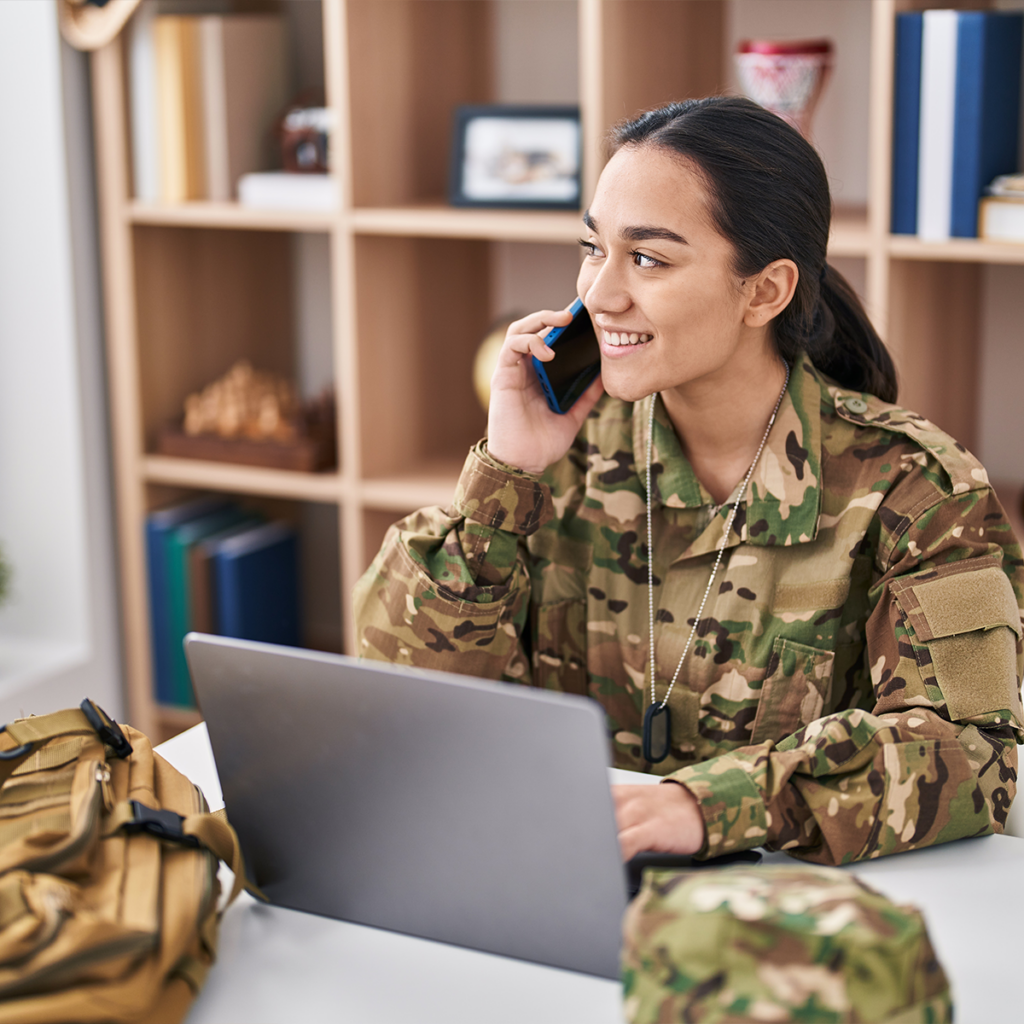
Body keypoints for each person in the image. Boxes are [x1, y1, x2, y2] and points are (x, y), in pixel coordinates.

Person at [354, 97, 1023, 866]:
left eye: (648, 259)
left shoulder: (919, 489)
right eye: (592, 248)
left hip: (790, 922)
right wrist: (502, 479)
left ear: (764, 292)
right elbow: (396, 708)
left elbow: (973, 754)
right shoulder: (564, 453)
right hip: (557, 877)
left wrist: (705, 809)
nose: (600, 295)